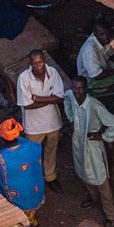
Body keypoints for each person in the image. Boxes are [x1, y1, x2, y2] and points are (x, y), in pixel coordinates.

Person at [63, 78, 114, 227]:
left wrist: (103, 136)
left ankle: (111, 216)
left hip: (92, 144)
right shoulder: (71, 96)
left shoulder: (94, 105)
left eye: (80, 88)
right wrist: (71, 119)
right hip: (78, 142)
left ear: (86, 89)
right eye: (75, 88)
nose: (77, 91)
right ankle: (94, 198)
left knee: (101, 180)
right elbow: (67, 100)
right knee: (83, 172)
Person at [15, 50, 68, 184]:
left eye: (40, 62)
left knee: (51, 151)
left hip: (53, 122)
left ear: (44, 61)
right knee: (32, 154)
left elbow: (60, 98)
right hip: (33, 126)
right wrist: (50, 99)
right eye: (35, 63)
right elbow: (27, 105)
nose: (38, 65)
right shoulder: (24, 78)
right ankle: (34, 179)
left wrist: (37, 98)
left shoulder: (53, 72)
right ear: (30, 63)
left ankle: (50, 177)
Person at [77, 21, 114, 99]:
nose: (106, 37)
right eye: (102, 34)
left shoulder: (104, 39)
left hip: (104, 74)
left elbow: (111, 55)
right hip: (92, 83)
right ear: (95, 34)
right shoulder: (89, 49)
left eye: (107, 34)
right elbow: (97, 76)